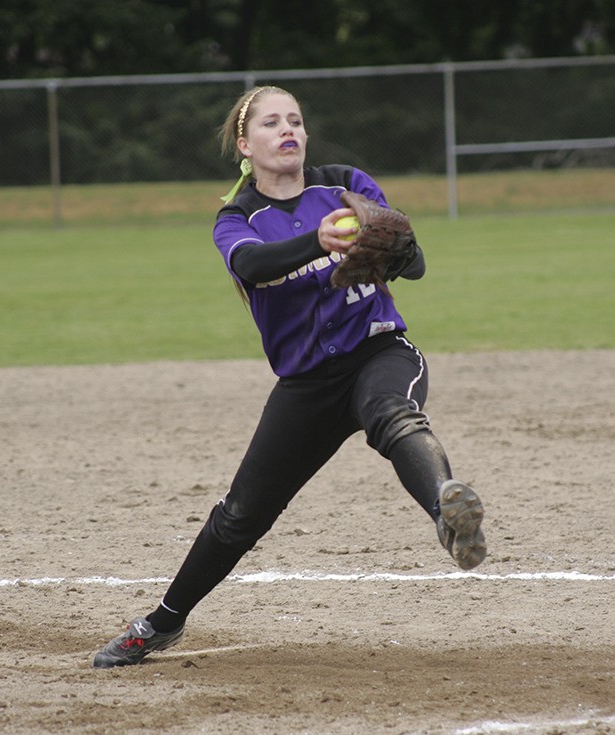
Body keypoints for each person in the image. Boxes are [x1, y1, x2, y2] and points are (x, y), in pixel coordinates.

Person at [92, 85, 487, 669]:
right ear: (244, 146)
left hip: (379, 351)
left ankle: (448, 513)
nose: (288, 131)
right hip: (306, 385)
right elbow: (253, 264)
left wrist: (395, 248)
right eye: (272, 123)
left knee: (394, 415)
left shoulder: (345, 185)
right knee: (240, 516)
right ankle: (161, 623)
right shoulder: (238, 219)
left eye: (296, 121)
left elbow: (416, 263)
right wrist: (318, 241)